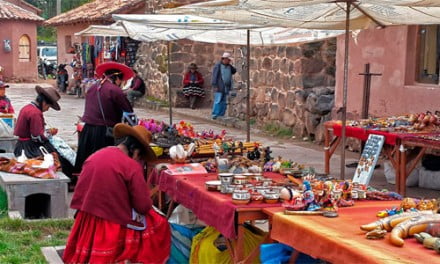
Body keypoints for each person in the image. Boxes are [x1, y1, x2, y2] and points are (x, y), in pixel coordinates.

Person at [63, 123, 170, 263]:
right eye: (140, 157)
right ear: (136, 152)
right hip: (111, 221)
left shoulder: (96, 155)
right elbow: (142, 206)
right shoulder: (131, 166)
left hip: (85, 216)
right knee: (160, 223)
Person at [74, 62, 134, 173]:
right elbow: (129, 112)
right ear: (117, 78)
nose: (120, 84)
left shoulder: (92, 88)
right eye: (121, 81)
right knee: (102, 164)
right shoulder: (115, 90)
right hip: (102, 132)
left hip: (87, 130)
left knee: (87, 162)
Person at [13, 86, 74, 179]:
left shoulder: (27, 108)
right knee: (61, 158)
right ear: (44, 103)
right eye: (48, 106)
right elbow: (37, 137)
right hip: (29, 148)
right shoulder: (35, 113)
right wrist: (50, 133)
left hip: (21, 146)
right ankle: (69, 181)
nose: (47, 109)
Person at [211, 52, 236, 119]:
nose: (229, 61)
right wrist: (215, 85)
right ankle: (215, 114)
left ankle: (221, 114)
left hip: (226, 87)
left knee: (224, 101)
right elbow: (214, 76)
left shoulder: (229, 66)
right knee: (218, 100)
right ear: (224, 59)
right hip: (219, 86)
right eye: (228, 60)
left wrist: (231, 64)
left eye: (229, 60)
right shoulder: (218, 66)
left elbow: (234, 71)